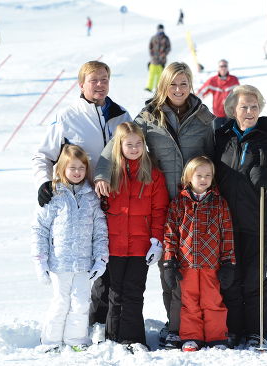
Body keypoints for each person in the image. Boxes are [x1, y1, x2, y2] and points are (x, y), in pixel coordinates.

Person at [94, 62, 215, 350]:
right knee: (167, 268)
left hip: (193, 205)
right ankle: (174, 328)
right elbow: (118, 146)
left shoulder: (204, 118)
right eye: (173, 84)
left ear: (191, 85)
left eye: (184, 83)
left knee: (194, 269)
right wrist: (101, 175)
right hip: (160, 204)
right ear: (163, 85)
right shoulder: (148, 117)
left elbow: (214, 158)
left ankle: (190, 327)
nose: (178, 89)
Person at [32, 60, 131, 338]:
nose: (100, 85)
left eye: (104, 79)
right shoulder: (67, 117)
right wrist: (43, 183)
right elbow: (43, 155)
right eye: (94, 80)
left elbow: (134, 150)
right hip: (83, 202)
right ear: (82, 85)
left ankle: (108, 322)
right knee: (87, 266)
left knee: (112, 261)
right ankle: (83, 323)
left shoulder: (121, 115)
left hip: (118, 200)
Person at [213, 85, 267, 350]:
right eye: (243, 107)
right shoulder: (222, 136)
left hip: (260, 221)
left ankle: (256, 331)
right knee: (230, 277)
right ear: (233, 109)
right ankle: (233, 329)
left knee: (253, 278)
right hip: (226, 223)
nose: (249, 111)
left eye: (253, 106)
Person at [31, 144, 109, 353]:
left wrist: (101, 258)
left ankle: (76, 339)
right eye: (72, 168)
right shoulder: (53, 195)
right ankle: (50, 341)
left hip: (83, 263)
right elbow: (40, 230)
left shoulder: (91, 197)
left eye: (81, 168)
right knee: (60, 302)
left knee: (81, 303)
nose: (77, 172)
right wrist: (40, 260)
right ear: (62, 169)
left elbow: (100, 232)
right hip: (59, 263)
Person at [102, 122, 169, 352]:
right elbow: (99, 211)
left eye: (138, 144)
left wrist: (156, 241)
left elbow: (160, 210)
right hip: (114, 245)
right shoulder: (109, 175)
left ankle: (133, 339)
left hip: (141, 246)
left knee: (133, 291)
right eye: (128, 144)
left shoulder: (153, 175)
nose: (134, 148)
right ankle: (112, 339)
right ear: (119, 146)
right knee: (115, 292)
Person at [163, 156, 235, 352]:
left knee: (213, 302)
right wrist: (169, 261)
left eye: (208, 175)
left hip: (212, 264)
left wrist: (229, 262)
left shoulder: (220, 203)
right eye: (199, 175)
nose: (203, 179)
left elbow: (227, 234)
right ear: (189, 177)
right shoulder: (179, 203)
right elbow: (170, 234)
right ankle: (192, 336)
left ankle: (217, 337)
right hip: (187, 264)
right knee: (189, 303)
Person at [145, 24, 171, 92]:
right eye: (159, 29)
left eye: (161, 29)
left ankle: (158, 89)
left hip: (161, 61)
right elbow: (150, 46)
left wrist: (164, 54)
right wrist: (151, 54)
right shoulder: (154, 37)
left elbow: (168, 48)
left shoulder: (166, 38)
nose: (160, 31)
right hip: (153, 60)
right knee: (151, 75)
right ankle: (149, 87)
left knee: (160, 76)